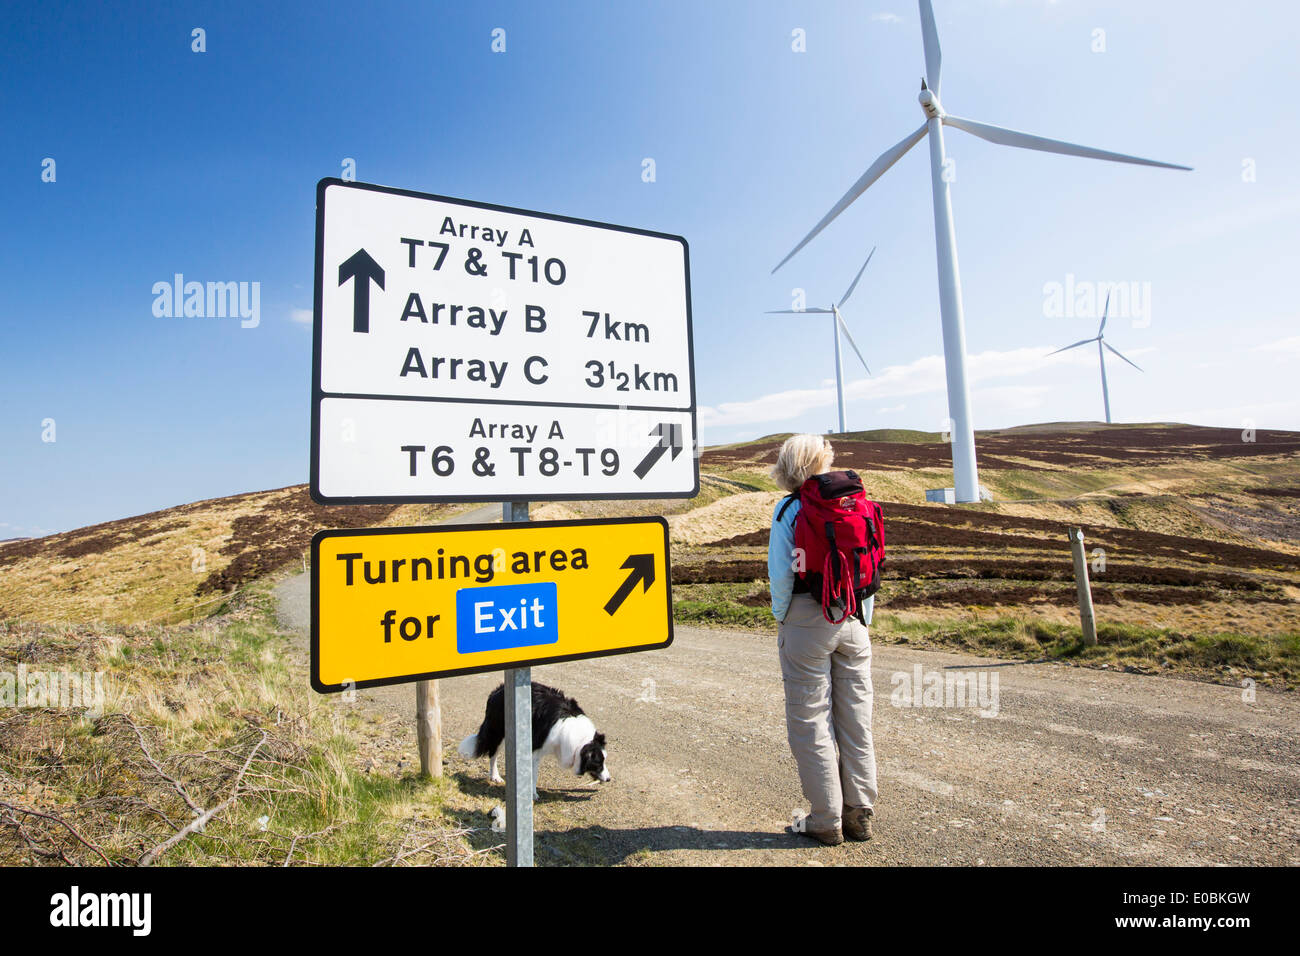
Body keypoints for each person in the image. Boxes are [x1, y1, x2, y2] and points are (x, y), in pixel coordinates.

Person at [767, 434, 878, 846]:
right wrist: (861, 614)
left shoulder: (788, 510)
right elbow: (870, 563)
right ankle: (859, 812)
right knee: (855, 717)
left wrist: (784, 617)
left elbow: (781, 575)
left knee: (810, 719)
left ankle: (826, 819)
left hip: (807, 620)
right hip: (853, 617)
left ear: (788, 468)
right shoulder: (854, 504)